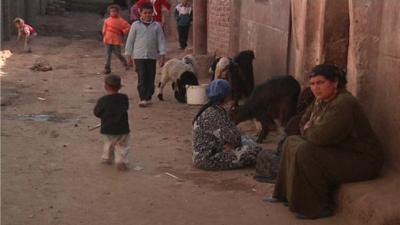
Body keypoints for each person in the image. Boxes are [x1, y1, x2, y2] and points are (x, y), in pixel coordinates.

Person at [267, 64, 384, 219]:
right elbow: (302, 122)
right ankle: (284, 194)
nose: (316, 88)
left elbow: (318, 137)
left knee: (306, 151)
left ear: (335, 82)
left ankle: (318, 207)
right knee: (291, 142)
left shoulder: (343, 103)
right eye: (313, 84)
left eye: (321, 83)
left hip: (363, 160)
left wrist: (310, 129)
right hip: (339, 150)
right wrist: (309, 128)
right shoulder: (321, 100)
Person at [192, 79, 261, 170]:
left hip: (207, 153)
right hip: (208, 159)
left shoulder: (211, 109)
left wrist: (230, 144)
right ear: (226, 96)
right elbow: (235, 139)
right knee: (255, 150)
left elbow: (228, 136)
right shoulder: (215, 114)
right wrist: (230, 144)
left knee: (248, 140)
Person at [125, 2, 166, 107]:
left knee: (150, 77)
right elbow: (130, 41)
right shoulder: (135, 25)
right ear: (140, 13)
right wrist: (128, 55)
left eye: (150, 13)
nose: (147, 15)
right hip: (139, 56)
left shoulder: (156, 26)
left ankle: (148, 96)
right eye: (145, 13)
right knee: (142, 76)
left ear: (153, 13)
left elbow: (161, 41)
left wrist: (162, 55)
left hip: (152, 56)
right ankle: (143, 98)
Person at [94, 74, 131, 171]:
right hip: (122, 127)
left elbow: (97, 113)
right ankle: (121, 160)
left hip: (107, 128)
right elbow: (126, 107)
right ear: (119, 86)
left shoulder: (102, 100)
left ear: (105, 87)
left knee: (108, 143)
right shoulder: (124, 98)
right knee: (122, 145)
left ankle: (107, 158)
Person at [102, 4, 131, 74]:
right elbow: (104, 29)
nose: (113, 13)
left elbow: (128, 27)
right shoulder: (107, 20)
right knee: (108, 55)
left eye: (115, 11)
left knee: (118, 54)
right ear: (109, 12)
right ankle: (107, 68)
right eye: (112, 11)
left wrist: (123, 32)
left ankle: (125, 63)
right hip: (107, 40)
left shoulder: (121, 21)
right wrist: (104, 34)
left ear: (118, 12)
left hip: (116, 40)